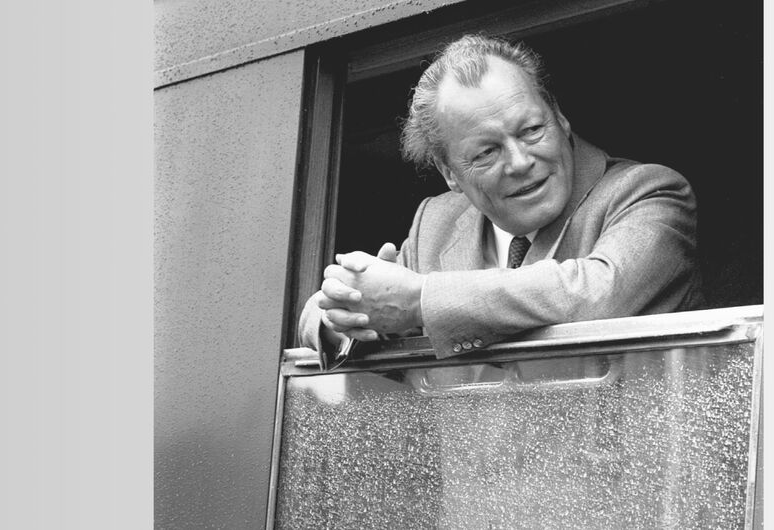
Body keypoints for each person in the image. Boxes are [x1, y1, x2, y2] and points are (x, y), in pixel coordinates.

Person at [298, 34, 703, 359]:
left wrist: (421, 300)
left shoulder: (650, 192)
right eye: (486, 152)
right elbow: (323, 318)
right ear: (449, 174)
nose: (520, 161)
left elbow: (598, 294)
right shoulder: (434, 223)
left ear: (559, 117)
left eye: (531, 130)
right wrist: (344, 313)